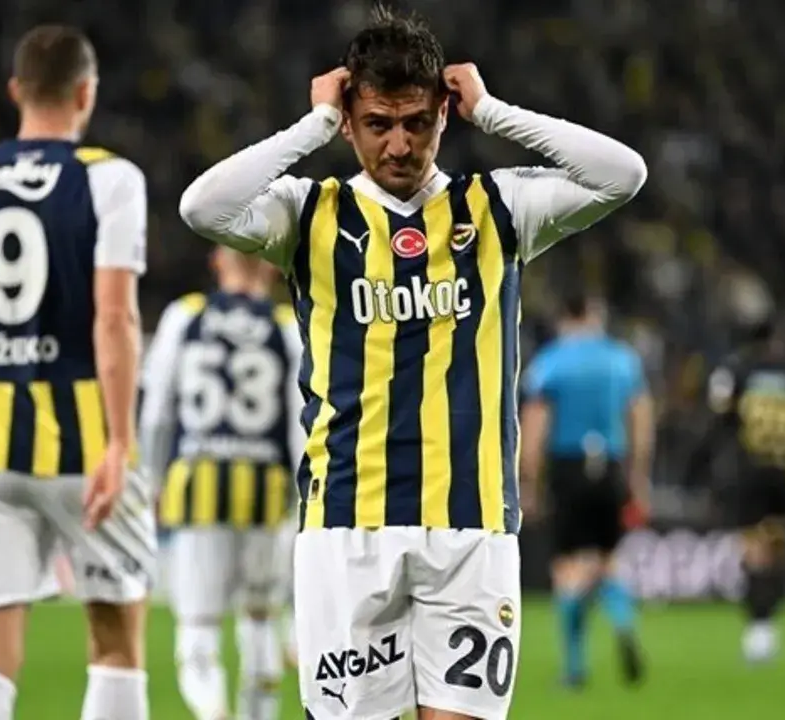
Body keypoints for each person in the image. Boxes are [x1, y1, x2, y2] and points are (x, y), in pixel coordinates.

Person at [177, 7, 647, 719]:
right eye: (377, 123)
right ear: (349, 122)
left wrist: (494, 112)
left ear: (443, 116)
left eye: (417, 123)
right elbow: (201, 208)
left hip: (471, 529)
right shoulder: (308, 215)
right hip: (346, 527)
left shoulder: (498, 208)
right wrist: (311, 126)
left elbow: (624, 175)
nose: (399, 144)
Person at [0, 25, 153, 720]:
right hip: (88, 453)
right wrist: (119, 441)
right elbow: (115, 318)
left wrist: (5, 376)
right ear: (86, 93)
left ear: (16, 91)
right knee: (115, 644)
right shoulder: (110, 178)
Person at [140, 247, 303, 720]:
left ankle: (214, 713)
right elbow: (301, 422)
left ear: (215, 260)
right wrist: (304, 498)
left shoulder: (185, 316)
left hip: (198, 488)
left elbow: (156, 412)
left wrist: (151, 479)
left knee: (198, 625)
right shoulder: (287, 327)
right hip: (266, 491)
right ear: (271, 266)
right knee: (261, 620)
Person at [518, 292, 653, 689]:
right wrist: (638, 476)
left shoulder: (550, 362)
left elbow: (534, 426)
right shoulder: (623, 360)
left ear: (564, 317)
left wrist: (529, 482)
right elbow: (641, 420)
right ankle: (623, 621)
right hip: (610, 465)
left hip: (568, 466)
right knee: (609, 561)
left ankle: (575, 667)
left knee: (568, 569)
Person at [690, 321, 785, 664]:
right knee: (776, 550)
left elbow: (718, 422)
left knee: (753, 551)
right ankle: (767, 625)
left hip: (748, 472)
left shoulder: (737, 370)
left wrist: (697, 467)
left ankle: (758, 628)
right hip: (782, 470)